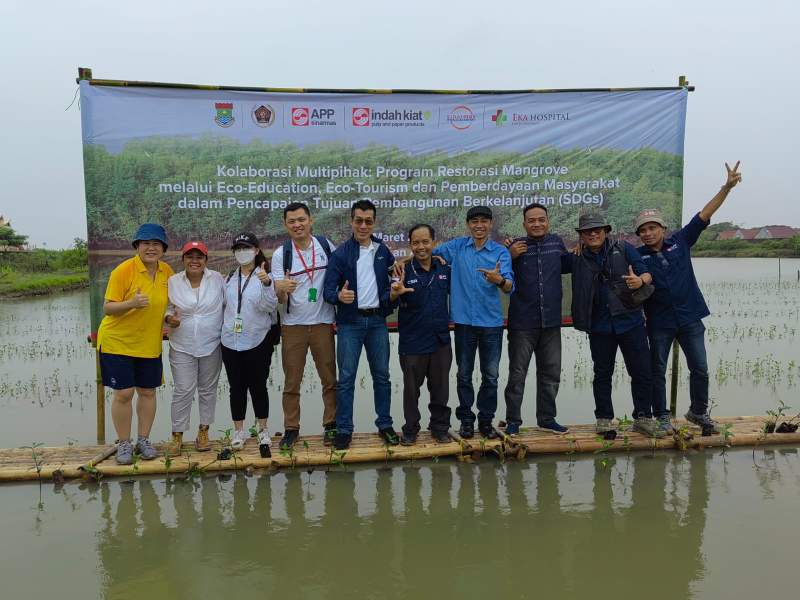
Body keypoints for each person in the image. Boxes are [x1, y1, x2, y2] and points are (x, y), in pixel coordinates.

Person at [636, 162, 742, 434]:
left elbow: (705, 213)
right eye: (642, 230)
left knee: (701, 368)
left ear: (663, 228)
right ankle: (661, 416)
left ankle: (697, 412)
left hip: (690, 317)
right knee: (657, 371)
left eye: (652, 228)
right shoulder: (636, 255)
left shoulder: (681, 241)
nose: (647, 233)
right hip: (659, 322)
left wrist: (727, 187)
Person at [564, 213, 665, 437]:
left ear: (606, 231)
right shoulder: (575, 257)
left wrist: (640, 280)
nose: (593, 234)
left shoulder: (624, 248)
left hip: (631, 321)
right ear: (581, 236)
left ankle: (643, 417)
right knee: (602, 373)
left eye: (597, 229)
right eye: (587, 231)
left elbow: (646, 272)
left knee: (641, 372)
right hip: (599, 326)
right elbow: (548, 265)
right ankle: (604, 419)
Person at [432, 206, 514, 440]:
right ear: (468, 224)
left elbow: (509, 287)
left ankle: (486, 422)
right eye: (475, 221)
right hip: (464, 323)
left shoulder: (500, 253)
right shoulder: (457, 247)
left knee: (491, 376)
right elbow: (426, 252)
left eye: (484, 221)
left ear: (491, 224)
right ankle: (466, 421)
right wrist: (403, 261)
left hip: (491, 324)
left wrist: (499, 280)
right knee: (464, 375)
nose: (479, 225)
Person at [97, 223, 174, 465]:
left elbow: (167, 306)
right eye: (146, 243)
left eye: (156, 244)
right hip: (117, 342)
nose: (151, 248)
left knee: (148, 391)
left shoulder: (167, 272)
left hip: (148, 343)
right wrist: (131, 303)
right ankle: (124, 443)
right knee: (124, 393)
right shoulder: (124, 270)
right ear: (137, 246)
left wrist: (171, 318)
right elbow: (108, 308)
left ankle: (143, 440)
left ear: (163, 248)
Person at [323, 199, 397, 450]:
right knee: (346, 379)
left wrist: (392, 299)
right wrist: (339, 297)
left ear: (374, 222)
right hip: (350, 325)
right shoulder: (340, 254)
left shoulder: (383, 250)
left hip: (377, 322)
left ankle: (385, 424)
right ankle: (344, 429)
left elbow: (394, 281)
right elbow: (328, 291)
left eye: (368, 221)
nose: (363, 225)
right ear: (351, 221)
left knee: (382, 377)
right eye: (358, 220)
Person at [271, 202, 338, 449]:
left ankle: (331, 425)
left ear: (311, 220)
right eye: (292, 221)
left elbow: (340, 274)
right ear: (286, 225)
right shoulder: (281, 254)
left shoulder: (325, 245)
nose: (297, 225)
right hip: (293, 326)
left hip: (322, 323)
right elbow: (279, 296)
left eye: (301, 219)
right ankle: (291, 429)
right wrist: (281, 291)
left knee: (329, 378)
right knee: (292, 382)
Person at [503, 203, 569, 435]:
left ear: (548, 221)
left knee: (551, 373)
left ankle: (547, 418)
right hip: (522, 323)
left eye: (541, 219)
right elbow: (499, 273)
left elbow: (570, 265)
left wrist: (582, 252)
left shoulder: (557, 243)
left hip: (551, 321)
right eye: (532, 220)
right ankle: (513, 421)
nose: (537, 224)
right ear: (524, 224)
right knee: (517, 374)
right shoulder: (515, 246)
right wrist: (509, 256)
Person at [390, 224, 452, 445]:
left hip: (440, 341)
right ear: (410, 245)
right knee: (411, 392)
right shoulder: (401, 270)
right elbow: (390, 298)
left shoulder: (445, 269)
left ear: (434, 243)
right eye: (416, 242)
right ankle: (410, 429)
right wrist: (394, 294)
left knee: (440, 389)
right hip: (412, 342)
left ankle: (440, 428)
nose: (421, 247)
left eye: (425, 242)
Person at [164, 241, 225, 456]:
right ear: (183, 260)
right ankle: (177, 435)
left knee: (208, 390)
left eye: (199, 257)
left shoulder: (217, 279)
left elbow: (231, 304)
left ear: (206, 260)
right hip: (181, 344)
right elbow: (166, 308)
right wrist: (169, 319)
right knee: (183, 389)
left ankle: (204, 431)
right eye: (190, 257)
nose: (194, 261)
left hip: (212, 343)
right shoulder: (172, 281)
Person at [220, 232, 278, 458]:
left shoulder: (264, 276)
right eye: (238, 249)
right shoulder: (229, 278)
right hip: (230, 341)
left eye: (247, 248)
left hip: (257, 340)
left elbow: (269, 307)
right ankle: (239, 432)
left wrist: (266, 284)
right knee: (236, 388)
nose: (242, 252)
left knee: (258, 386)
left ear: (256, 250)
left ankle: (263, 430)